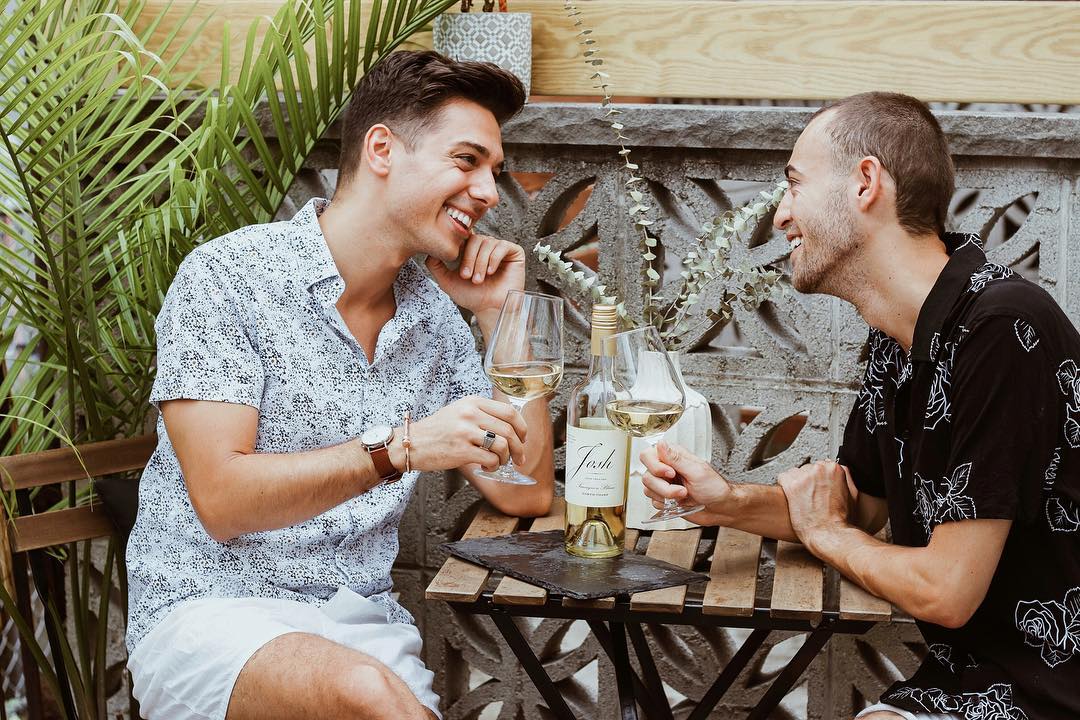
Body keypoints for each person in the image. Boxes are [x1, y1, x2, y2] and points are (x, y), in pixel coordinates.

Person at [124, 51, 555, 720]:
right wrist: (401, 448)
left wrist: (505, 319)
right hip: (208, 617)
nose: (490, 193)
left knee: (371, 688)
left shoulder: (434, 317)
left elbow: (524, 487)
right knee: (367, 695)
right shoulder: (230, 278)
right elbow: (223, 500)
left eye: (493, 171)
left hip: (362, 624)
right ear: (382, 149)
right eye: (467, 161)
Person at [641, 92, 1080, 720]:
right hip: (966, 686)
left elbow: (946, 590)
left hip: (1053, 691)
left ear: (865, 182)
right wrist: (727, 502)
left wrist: (828, 534)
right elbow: (858, 505)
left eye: (794, 185)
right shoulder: (901, 334)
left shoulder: (1000, 328)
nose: (780, 217)